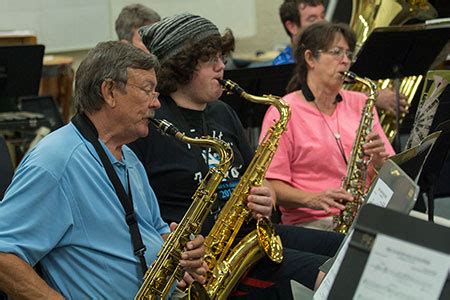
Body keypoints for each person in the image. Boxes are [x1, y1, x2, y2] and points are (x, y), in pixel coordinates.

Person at [129, 13, 345, 299]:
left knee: (348, 249)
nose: (222, 67)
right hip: (209, 261)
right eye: (210, 60)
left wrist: (267, 197)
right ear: (180, 66)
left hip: (250, 236)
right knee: (331, 276)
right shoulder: (153, 124)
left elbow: (255, 180)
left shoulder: (222, 112)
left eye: (222, 57)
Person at [0, 41, 206, 299]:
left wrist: (181, 252)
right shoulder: (56, 161)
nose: (156, 103)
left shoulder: (128, 156)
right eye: (147, 90)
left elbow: (154, 229)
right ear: (109, 91)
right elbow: (3, 255)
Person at [260, 21, 396, 230]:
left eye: (349, 54)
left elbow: (393, 172)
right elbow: (271, 184)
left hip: (365, 214)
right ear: (310, 58)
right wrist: (313, 199)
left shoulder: (361, 102)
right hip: (311, 222)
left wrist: (379, 161)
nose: (345, 61)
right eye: (336, 52)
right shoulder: (283, 111)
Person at [273, 0, 407, 116]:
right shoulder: (282, 66)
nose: (322, 23)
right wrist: (372, 99)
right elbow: (317, 102)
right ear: (291, 26)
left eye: (322, 16)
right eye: (312, 19)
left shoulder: (340, 58)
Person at [272, 0, 325, 66]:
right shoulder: (281, 67)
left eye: (322, 17)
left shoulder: (332, 56)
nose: (323, 24)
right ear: (292, 27)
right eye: (312, 19)